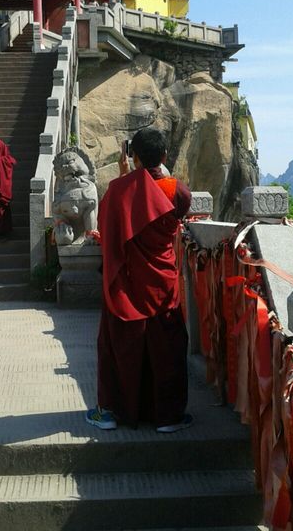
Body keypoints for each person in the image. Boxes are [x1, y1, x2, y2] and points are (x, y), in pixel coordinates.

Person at [86, 128, 192, 433]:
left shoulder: (118, 190)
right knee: (165, 347)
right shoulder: (178, 190)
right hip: (160, 282)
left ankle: (111, 413)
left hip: (126, 282)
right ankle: (167, 417)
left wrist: (125, 179)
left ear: (132, 157)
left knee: (118, 345)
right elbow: (177, 213)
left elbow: (108, 228)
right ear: (164, 156)